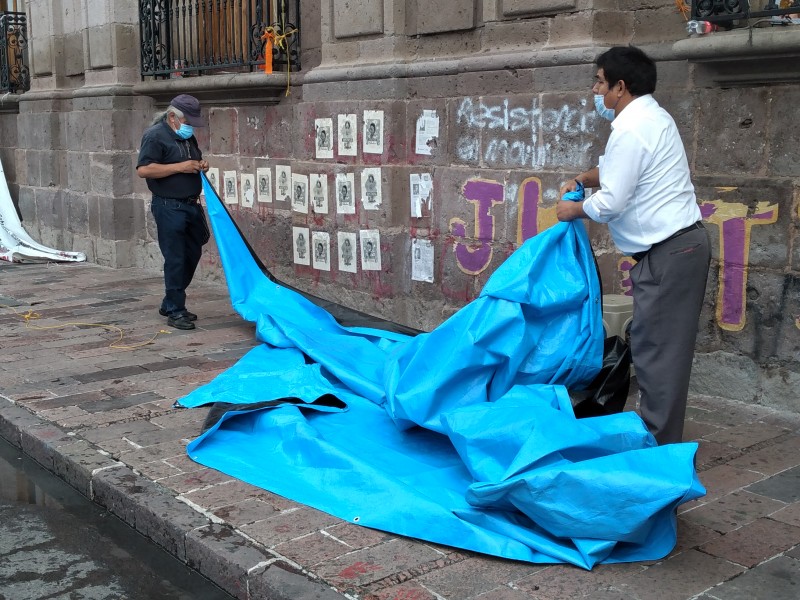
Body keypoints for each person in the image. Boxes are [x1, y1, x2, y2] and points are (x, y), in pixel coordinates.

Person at [556, 46, 710, 445]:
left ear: (620, 87)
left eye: (600, 82)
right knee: (654, 348)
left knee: (658, 357)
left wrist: (569, 211)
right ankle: (659, 443)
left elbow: (611, 202)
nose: (596, 91)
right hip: (678, 249)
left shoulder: (631, 127)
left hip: (668, 253)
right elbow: (611, 169)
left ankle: (658, 460)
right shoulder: (652, 118)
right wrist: (581, 179)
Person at [136, 94, 210, 331]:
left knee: (192, 253)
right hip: (169, 206)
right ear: (172, 118)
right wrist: (181, 166)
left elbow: (191, 162)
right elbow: (144, 170)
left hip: (191, 205)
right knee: (176, 258)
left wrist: (200, 164)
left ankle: (170, 301)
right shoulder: (154, 136)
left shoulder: (187, 138)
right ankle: (176, 310)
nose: (191, 127)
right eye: (188, 122)